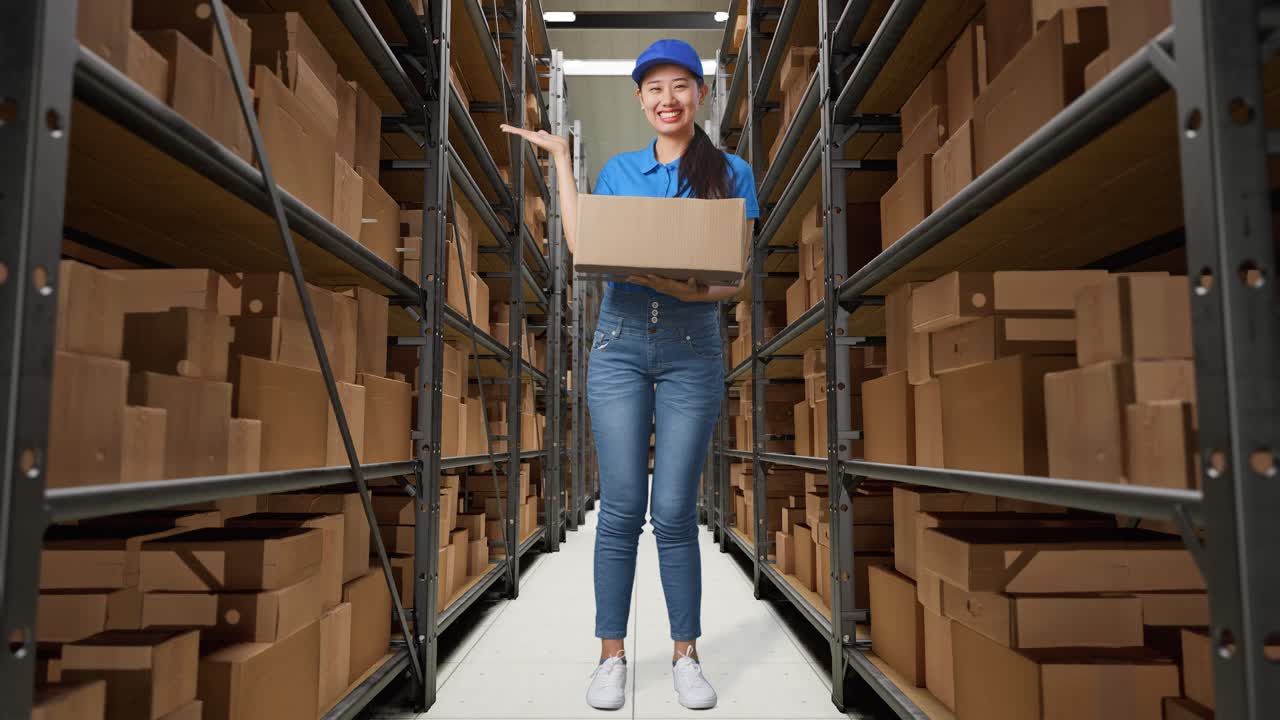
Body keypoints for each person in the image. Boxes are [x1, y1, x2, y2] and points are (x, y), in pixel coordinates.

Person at [502, 37, 759, 711]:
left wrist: (677, 291)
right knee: (620, 509)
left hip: (691, 348)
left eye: (680, 86)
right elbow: (589, 247)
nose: (667, 99)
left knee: (674, 512)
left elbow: (734, 279)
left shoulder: (732, 172)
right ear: (640, 98)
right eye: (654, 88)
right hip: (617, 346)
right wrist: (561, 162)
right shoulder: (618, 170)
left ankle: (686, 654)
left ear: (699, 95)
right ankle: (610, 656)